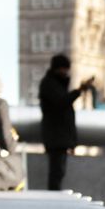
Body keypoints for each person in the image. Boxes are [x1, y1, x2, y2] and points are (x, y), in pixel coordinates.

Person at [38, 54, 94, 191]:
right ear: (58, 68)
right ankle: (54, 196)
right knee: (57, 172)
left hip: (59, 136)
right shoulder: (49, 84)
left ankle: (54, 194)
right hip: (56, 136)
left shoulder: (55, 84)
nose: (66, 72)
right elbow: (61, 103)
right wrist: (79, 91)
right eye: (64, 69)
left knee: (59, 171)